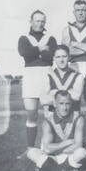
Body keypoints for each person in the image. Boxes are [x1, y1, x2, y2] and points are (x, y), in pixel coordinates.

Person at [17, 10, 57, 156]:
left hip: (47, 75)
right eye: (37, 20)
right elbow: (24, 53)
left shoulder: (50, 38)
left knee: (49, 115)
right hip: (30, 77)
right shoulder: (24, 38)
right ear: (31, 21)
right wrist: (40, 50)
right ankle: (30, 149)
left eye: (42, 21)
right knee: (32, 114)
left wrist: (34, 52)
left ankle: (47, 147)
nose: (40, 24)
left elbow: (50, 56)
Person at [26, 90, 86, 171]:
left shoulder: (78, 118)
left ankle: (49, 167)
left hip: (69, 155)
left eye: (67, 104)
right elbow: (47, 149)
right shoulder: (48, 121)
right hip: (53, 156)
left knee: (82, 152)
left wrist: (54, 149)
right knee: (31, 152)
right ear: (55, 104)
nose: (65, 108)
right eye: (61, 103)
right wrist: (66, 143)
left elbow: (78, 145)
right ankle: (65, 170)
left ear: (71, 104)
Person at [40, 45, 84, 115]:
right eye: (58, 57)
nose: (61, 60)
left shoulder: (78, 76)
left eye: (64, 56)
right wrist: (69, 93)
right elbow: (43, 100)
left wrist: (53, 92)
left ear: (69, 57)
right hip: (54, 116)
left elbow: (77, 97)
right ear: (54, 58)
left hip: (72, 117)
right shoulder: (48, 75)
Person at [62, 0, 86, 75]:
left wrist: (75, 44)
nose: (80, 13)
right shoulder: (67, 29)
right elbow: (66, 51)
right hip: (73, 65)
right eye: (78, 10)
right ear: (74, 12)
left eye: (83, 10)